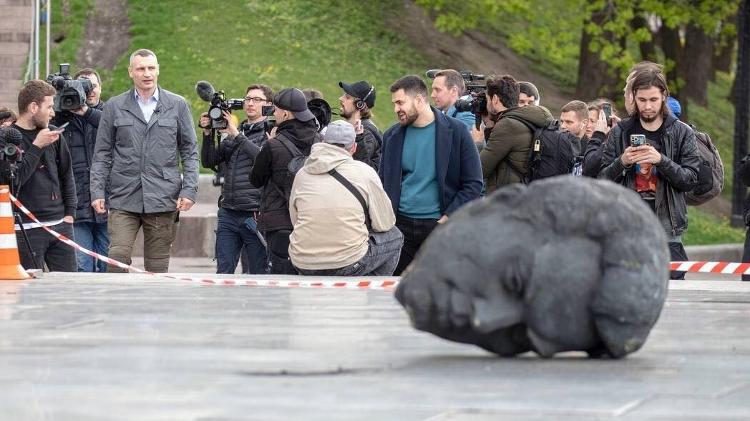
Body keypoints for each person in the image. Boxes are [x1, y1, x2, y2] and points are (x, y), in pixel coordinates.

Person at [90, 48, 199, 273]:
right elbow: (102, 153)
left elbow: (189, 151)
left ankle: (154, 308)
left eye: (151, 68)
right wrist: (97, 191)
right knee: (116, 258)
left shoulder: (177, 105)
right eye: (141, 68)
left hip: (163, 196)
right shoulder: (114, 106)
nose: (146, 73)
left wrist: (189, 190)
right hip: (123, 196)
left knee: (157, 267)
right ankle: (118, 306)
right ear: (131, 72)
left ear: (158, 70)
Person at [599, 66, 700, 280]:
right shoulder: (621, 131)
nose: (647, 106)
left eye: (653, 99)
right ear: (633, 97)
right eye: (642, 99)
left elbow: (691, 180)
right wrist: (622, 162)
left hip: (668, 223)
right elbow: (602, 180)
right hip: (628, 221)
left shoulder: (682, 132)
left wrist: (661, 160)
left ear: (664, 96)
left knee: (672, 287)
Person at [380, 75, 483, 275]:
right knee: (395, 294)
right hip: (400, 229)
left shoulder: (457, 131)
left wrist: (447, 217)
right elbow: (383, 182)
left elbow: (473, 183)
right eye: (394, 104)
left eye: (400, 102)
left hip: (439, 227)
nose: (396, 109)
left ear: (419, 100)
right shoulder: (391, 137)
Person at [289, 120, 403, 275]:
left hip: (302, 261)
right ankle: (371, 291)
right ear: (354, 148)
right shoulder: (365, 172)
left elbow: (295, 219)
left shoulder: (302, 173)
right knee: (395, 235)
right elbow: (384, 223)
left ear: (323, 142)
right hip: (346, 262)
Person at [200, 84, 273, 274]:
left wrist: (236, 135)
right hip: (228, 212)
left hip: (255, 214)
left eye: (257, 100)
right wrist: (208, 134)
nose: (250, 103)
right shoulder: (235, 131)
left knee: (258, 272)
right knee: (223, 272)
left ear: (268, 105)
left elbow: (263, 159)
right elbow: (209, 161)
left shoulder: (270, 132)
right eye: (248, 99)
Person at [250, 88, 321, 274]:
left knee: (281, 280)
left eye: (275, 109)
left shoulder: (273, 145)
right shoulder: (320, 141)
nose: (273, 113)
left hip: (279, 222)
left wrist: (269, 144)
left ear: (286, 113)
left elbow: (256, 179)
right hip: (311, 220)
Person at [11, 80, 76, 271]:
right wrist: (36, 146)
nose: (53, 113)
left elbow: (67, 175)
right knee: (29, 292)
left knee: (69, 287)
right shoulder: (8, 137)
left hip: (60, 225)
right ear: (33, 107)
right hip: (26, 229)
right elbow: (15, 180)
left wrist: (70, 215)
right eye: (49, 106)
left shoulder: (54, 135)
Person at [52, 67, 108, 272]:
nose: (90, 90)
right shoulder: (59, 117)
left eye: (93, 85)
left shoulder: (111, 112)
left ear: (101, 88)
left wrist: (86, 113)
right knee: (82, 267)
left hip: (109, 202)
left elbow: (117, 128)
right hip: (76, 205)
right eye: (84, 86)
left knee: (109, 267)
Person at [479, 74, 553, 193]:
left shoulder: (508, 125)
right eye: (522, 101)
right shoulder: (529, 121)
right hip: (525, 193)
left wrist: (478, 143)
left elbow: (479, 170)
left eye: (488, 99)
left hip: (509, 198)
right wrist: (489, 125)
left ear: (495, 99)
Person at [338, 80, 382, 170]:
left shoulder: (366, 134)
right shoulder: (352, 128)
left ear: (360, 105)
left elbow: (362, 169)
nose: (341, 98)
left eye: (347, 97)